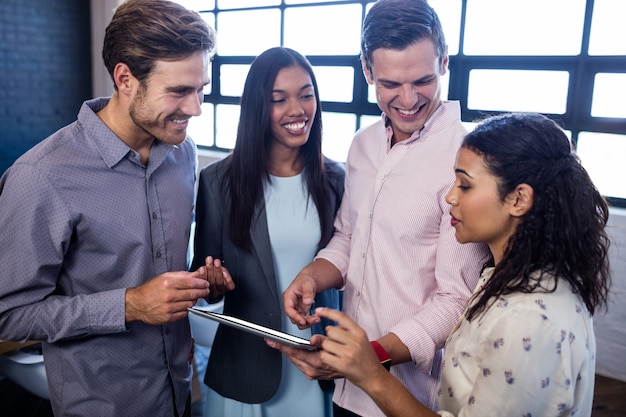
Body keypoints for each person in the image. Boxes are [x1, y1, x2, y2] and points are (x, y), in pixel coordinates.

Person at [307, 112, 612, 417]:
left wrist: (372, 374)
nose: (450, 197)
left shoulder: (528, 319)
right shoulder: (505, 278)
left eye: (465, 186)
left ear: (519, 199)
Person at [0, 1, 216, 416]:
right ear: (125, 79)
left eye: (201, 88)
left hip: (179, 397)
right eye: (179, 91)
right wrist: (130, 305)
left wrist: (201, 281)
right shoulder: (40, 176)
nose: (196, 108)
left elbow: (155, 269)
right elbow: (8, 315)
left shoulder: (182, 155)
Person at [273, 1, 488, 416]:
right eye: (390, 84)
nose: (408, 100)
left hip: (414, 397)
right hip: (349, 389)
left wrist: (367, 358)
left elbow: (455, 300)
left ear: (444, 63)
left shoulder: (466, 158)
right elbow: (350, 237)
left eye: (423, 80)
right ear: (367, 71)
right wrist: (311, 277)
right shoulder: (363, 144)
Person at [190, 46, 345, 416]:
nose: (297, 109)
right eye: (280, 99)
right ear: (259, 107)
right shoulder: (218, 182)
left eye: (306, 95)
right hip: (246, 369)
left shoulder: (337, 181)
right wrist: (212, 282)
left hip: (317, 365)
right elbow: (204, 282)